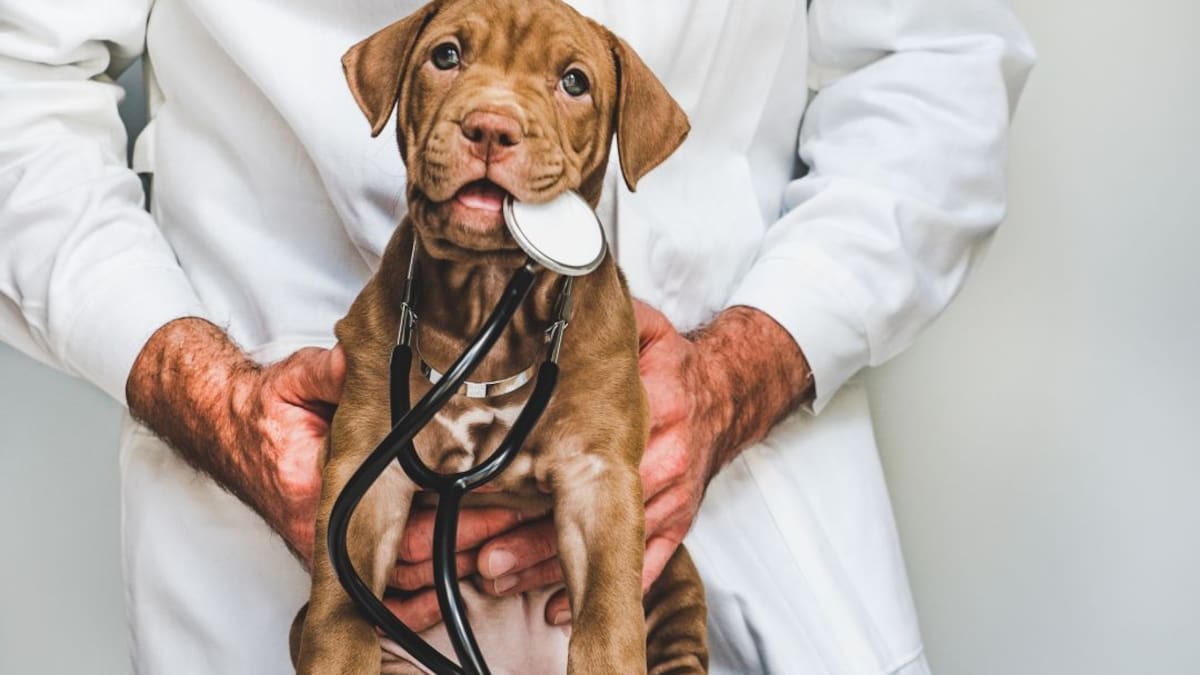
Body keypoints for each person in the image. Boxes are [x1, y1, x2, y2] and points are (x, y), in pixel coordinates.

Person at [0, 0, 1034, 673]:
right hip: (271, 528)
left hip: (729, 536)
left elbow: (936, 62)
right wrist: (213, 399)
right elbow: (20, 83)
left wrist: (738, 374)